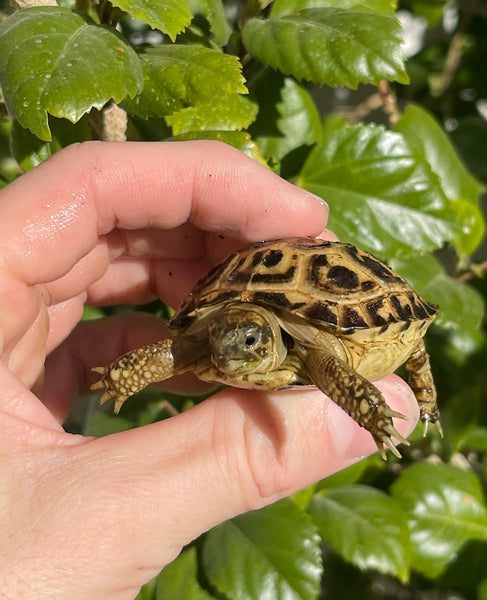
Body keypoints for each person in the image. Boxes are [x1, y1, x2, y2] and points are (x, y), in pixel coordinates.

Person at [0, 141, 419, 599]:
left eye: (246, 345)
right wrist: (122, 378)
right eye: (220, 342)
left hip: (331, 321)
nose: (227, 355)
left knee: (412, 351)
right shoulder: (214, 343)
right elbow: (169, 354)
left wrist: (372, 416)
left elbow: (338, 374)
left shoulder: (316, 353)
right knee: (186, 350)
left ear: (268, 339)